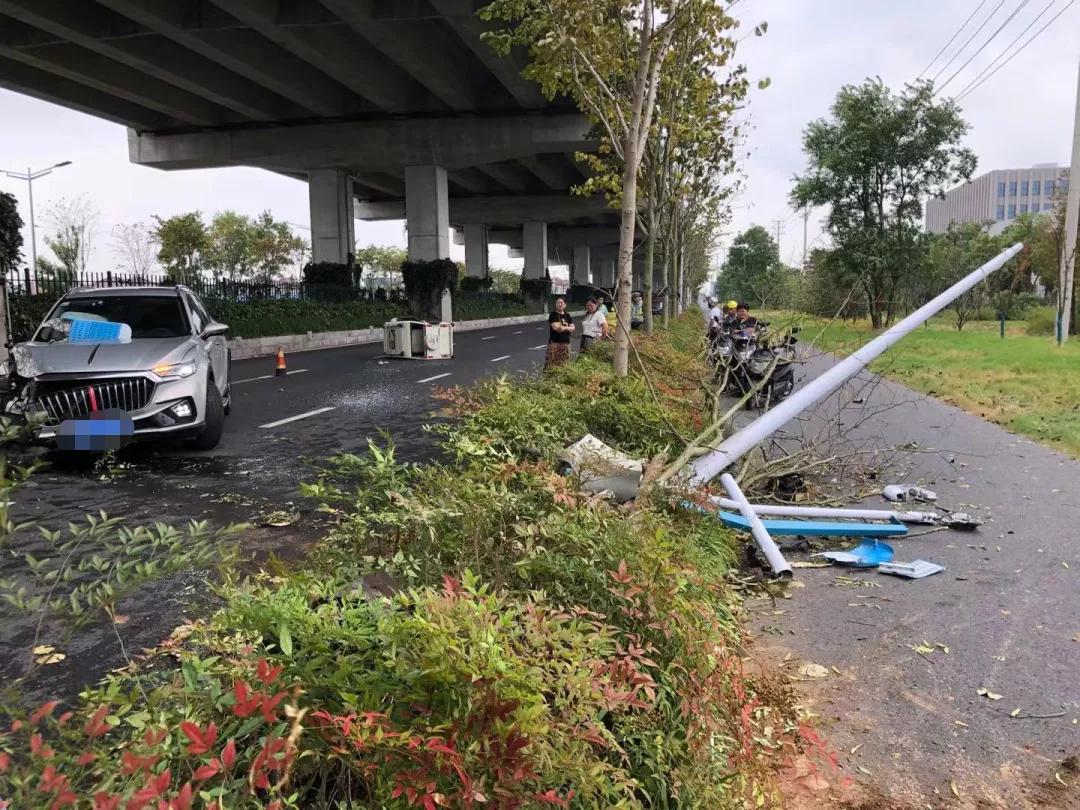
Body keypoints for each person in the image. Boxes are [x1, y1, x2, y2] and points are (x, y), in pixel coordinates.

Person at [545, 297, 574, 369]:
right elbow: (556, 328)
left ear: (565, 305)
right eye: (558, 302)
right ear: (556, 304)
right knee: (552, 364)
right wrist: (568, 328)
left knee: (564, 364)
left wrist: (564, 328)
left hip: (566, 344)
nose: (560, 304)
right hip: (555, 344)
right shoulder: (553, 315)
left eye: (562, 303)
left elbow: (573, 328)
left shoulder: (567, 315)